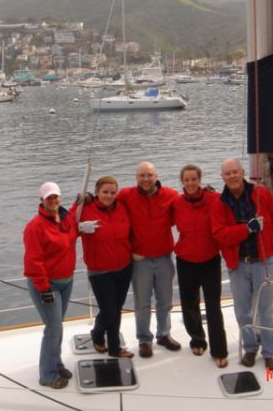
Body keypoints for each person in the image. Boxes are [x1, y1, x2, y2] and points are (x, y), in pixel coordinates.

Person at [211, 158, 273, 370]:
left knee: (267, 311)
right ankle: (250, 348)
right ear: (222, 177)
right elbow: (220, 236)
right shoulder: (220, 204)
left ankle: (270, 353)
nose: (232, 176)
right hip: (238, 265)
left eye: (235, 172)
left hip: (264, 262)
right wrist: (247, 229)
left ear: (242, 172)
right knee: (242, 312)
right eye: (228, 174)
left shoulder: (261, 194)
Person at [116, 161, 181, 358]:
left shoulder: (170, 195)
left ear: (156, 176)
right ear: (136, 177)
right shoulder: (126, 195)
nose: (146, 179)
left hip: (164, 258)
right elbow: (105, 201)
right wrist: (87, 199)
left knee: (165, 301)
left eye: (149, 175)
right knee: (142, 303)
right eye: (142, 175)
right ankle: (144, 339)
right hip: (140, 260)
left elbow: (188, 207)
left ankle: (163, 334)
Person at [23, 181, 78, 389]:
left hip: (66, 282)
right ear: (42, 200)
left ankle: (56, 362)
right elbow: (33, 262)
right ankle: (47, 375)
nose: (53, 200)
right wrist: (44, 288)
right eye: (49, 198)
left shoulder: (64, 219)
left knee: (58, 326)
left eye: (56, 196)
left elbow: (73, 223)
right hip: (47, 285)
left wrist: (81, 202)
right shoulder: (35, 227)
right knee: (53, 328)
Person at [72, 176, 134, 358]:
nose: (109, 196)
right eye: (105, 192)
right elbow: (67, 227)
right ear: (97, 192)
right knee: (108, 310)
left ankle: (114, 348)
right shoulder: (86, 209)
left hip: (124, 267)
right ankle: (97, 334)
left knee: (117, 308)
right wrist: (81, 226)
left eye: (112, 192)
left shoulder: (122, 207)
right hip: (100, 270)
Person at [173, 164, 228, 368]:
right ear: (182, 182)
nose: (190, 183)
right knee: (189, 304)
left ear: (200, 179)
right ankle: (197, 339)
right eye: (186, 180)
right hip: (186, 261)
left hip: (210, 260)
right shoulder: (177, 203)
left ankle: (219, 350)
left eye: (194, 179)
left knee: (213, 306)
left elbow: (231, 202)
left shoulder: (214, 199)